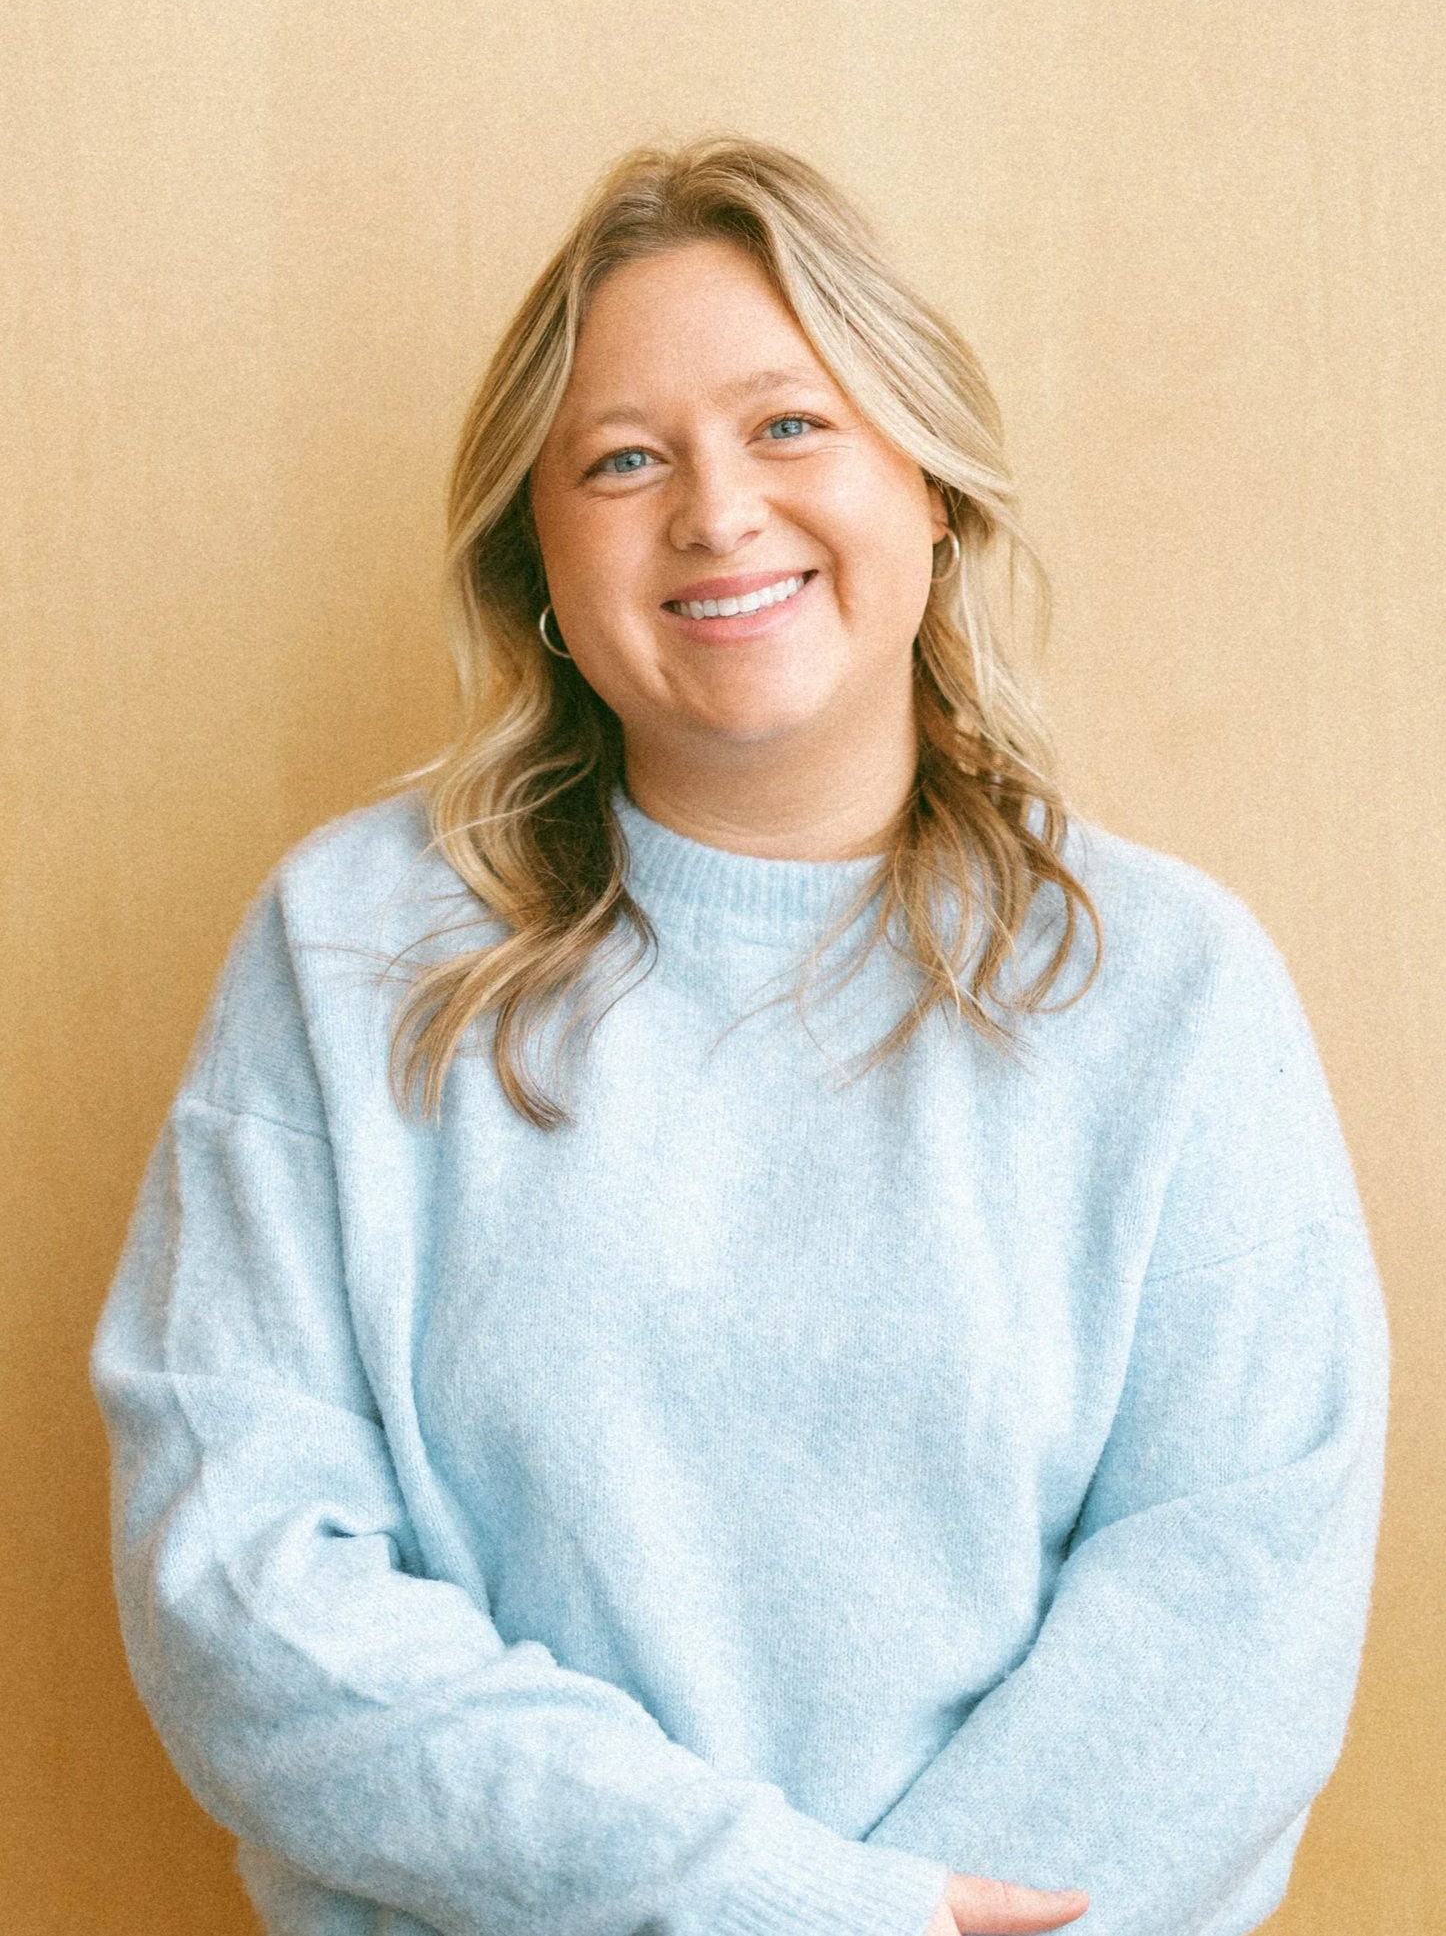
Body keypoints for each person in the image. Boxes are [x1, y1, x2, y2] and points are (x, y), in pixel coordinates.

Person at [92, 137, 1389, 1936]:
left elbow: (1236, 1604)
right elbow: (240, 1584)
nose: (714, 512)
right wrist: (766, 1902)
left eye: (790, 426)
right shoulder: (350, 948)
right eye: (623, 461)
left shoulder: (1172, 992)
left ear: (927, 487)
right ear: (536, 558)